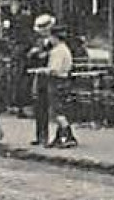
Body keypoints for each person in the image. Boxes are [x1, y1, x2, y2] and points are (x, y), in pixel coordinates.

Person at [27, 14, 77, 148]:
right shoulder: (40, 43)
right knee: (43, 107)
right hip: (46, 79)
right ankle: (49, 136)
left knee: (56, 110)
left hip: (54, 79)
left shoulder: (57, 49)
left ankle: (64, 136)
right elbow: (31, 57)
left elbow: (54, 68)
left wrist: (42, 68)